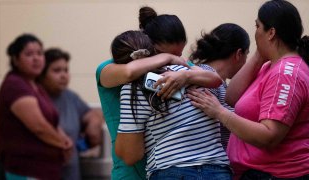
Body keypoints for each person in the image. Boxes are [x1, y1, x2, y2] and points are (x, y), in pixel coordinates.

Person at [96, 6, 222, 180]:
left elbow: (214, 78)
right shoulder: (111, 68)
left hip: (165, 166)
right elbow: (129, 73)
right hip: (132, 171)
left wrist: (184, 74)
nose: (180, 59)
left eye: (180, 53)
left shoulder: (177, 71)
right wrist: (169, 59)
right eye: (170, 54)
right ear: (151, 49)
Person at [188, 0, 309, 179]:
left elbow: (269, 135)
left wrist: (219, 112)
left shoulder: (286, 73)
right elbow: (231, 97)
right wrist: (260, 54)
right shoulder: (271, 66)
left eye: (257, 26)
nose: (255, 33)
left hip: (274, 174)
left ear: (271, 32)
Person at [114, 23, 249, 179]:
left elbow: (131, 155)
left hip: (170, 169)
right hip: (217, 168)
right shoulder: (191, 73)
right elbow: (216, 81)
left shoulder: (133, 89)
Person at [0, 34, 73, 180]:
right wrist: (63, 144)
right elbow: (39, 127)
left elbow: (51, 121)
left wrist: (64, 139)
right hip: (26, 169)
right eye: (29, 54)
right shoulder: (15, 85)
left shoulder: (35, 85)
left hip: (45, 169)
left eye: (39, 53)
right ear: (15, 59)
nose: (36, 58)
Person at [38, 48, 104, 180]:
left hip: (69, 173)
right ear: (42, 74)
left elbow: (91, 115)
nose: (63, 75)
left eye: (66, 70)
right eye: (57, 70)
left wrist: (94, 124)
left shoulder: (70, 97)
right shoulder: (33, 98)